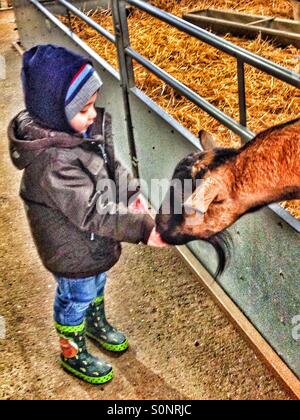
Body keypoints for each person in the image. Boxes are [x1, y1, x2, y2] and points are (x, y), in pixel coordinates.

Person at [8, 44, 167, 385]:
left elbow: (113, 167)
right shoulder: (53, 163)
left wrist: (132, 194)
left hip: (90, 244)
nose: (93, 114)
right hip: (71, 247)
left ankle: (93, 324)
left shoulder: (79, 133)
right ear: (54, 112)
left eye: (93, 104)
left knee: (95, 285)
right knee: (75, 295)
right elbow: (94, 209)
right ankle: (71, 349)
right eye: (84, 108)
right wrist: (142, 228)